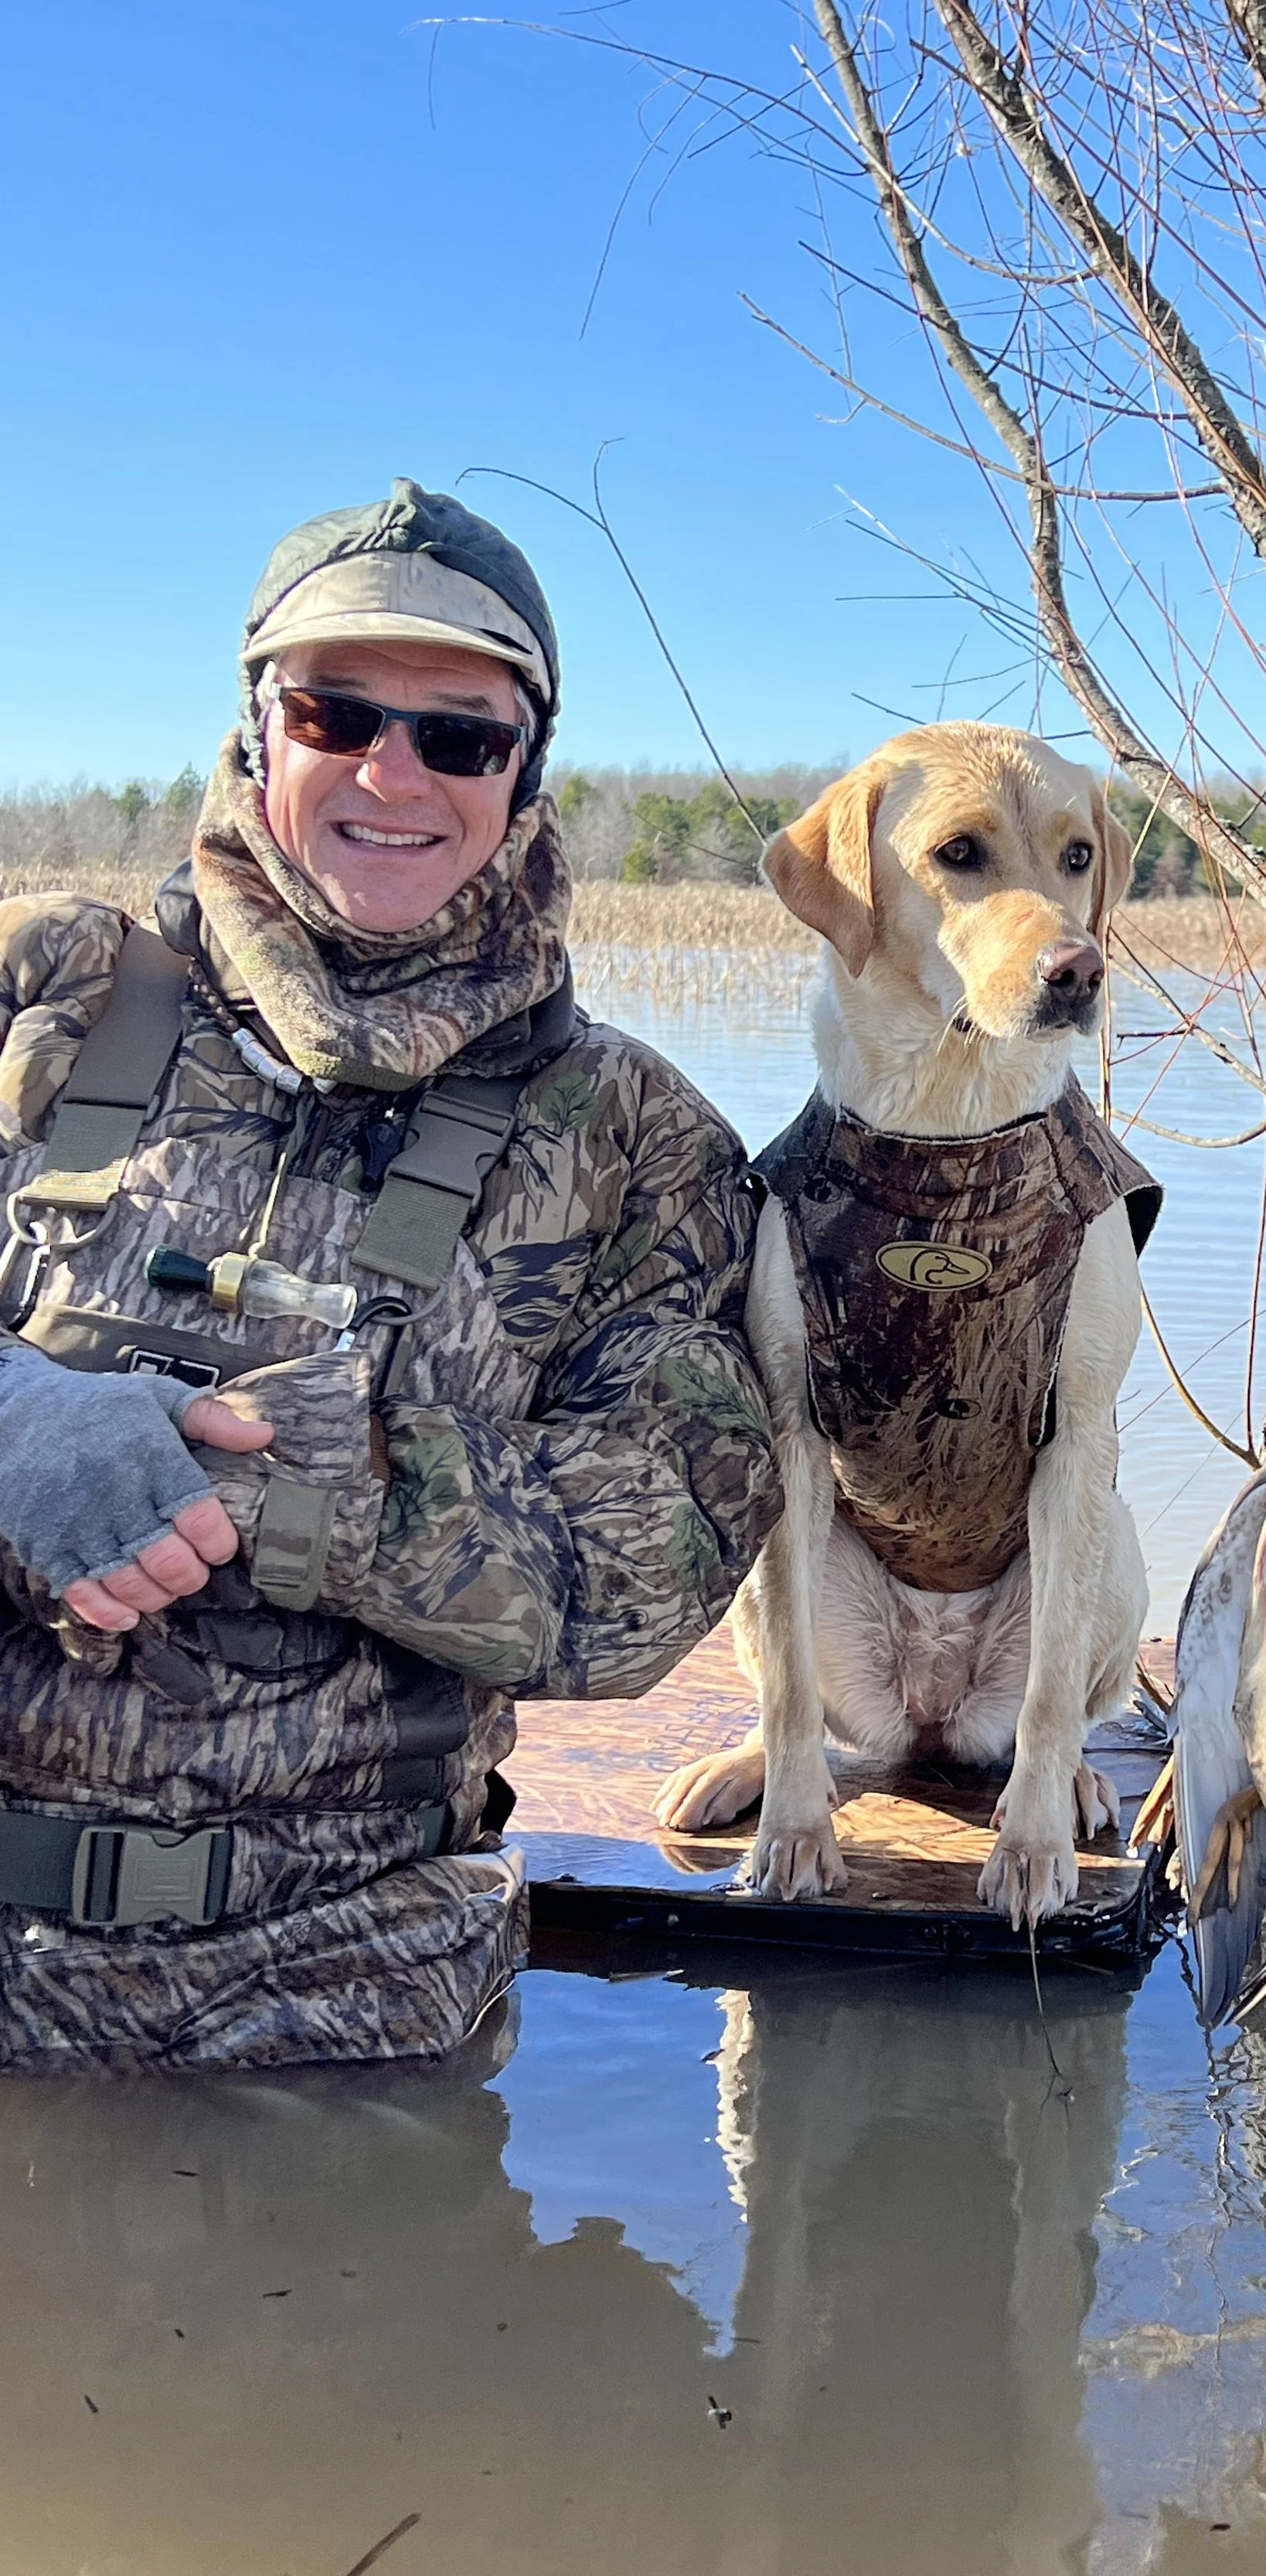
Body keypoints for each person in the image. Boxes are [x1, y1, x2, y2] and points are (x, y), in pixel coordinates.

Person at [0, 478, 779, 2068]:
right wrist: (17, 1425)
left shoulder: (635, 1137)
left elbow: (656, 1573)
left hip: (357, 1993)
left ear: (525, 773)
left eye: (460, 736)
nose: (391, 773)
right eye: (333, 710)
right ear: (253, 733)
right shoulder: (37, 992)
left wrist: (308, 1487)